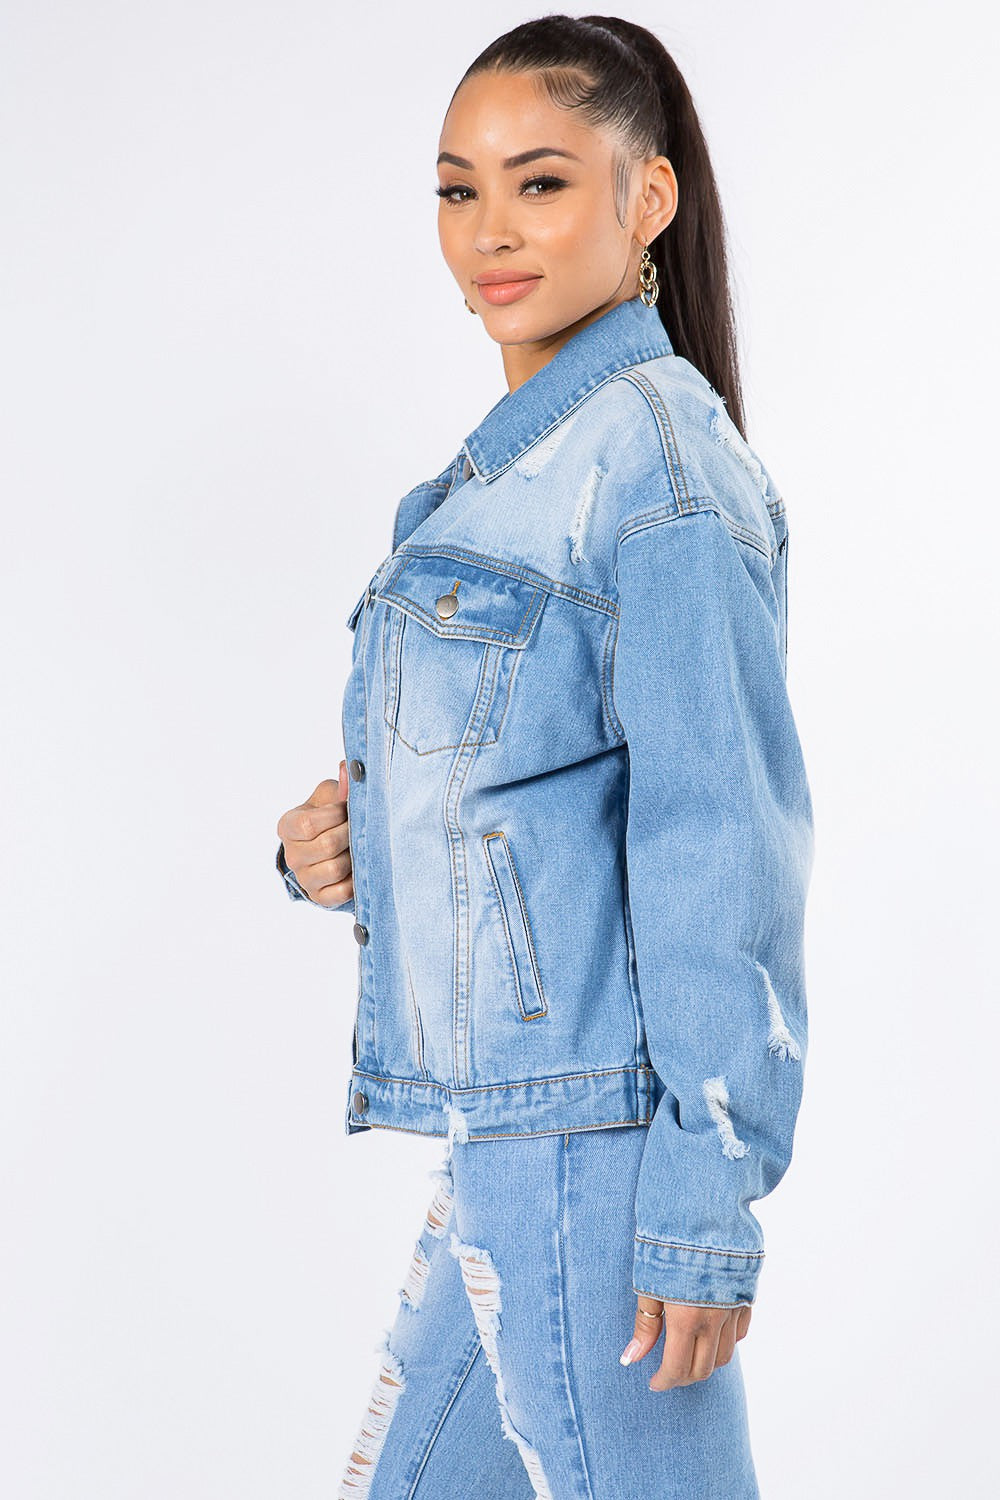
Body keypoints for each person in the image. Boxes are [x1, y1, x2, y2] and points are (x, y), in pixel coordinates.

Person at [275, 14, 814, 1499]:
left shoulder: (663, 474)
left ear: (647, 203)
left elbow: (723, 845)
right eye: (458, 190)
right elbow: (527, 788)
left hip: (600, 1147)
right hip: (511, 1135)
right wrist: (345, 840)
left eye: (541, 184)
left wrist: (705, 1204)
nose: (488, 234)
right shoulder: (503, 474)